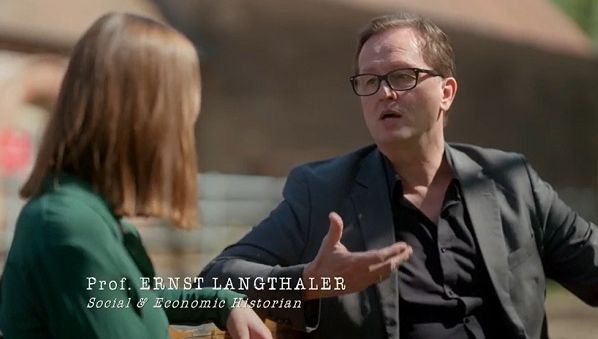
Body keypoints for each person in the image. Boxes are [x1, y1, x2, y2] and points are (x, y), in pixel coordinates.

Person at [200, 12, 598, 339]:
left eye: (403, 76)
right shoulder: (322, 191)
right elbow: (216, 277)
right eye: (369, 81)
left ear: (446, 92)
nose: (383, 93)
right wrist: (308, 282)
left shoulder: (512, 181)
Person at [0, 13, 271, 339]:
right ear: (146, 121)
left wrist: (222, 301)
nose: (185, 136)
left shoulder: (90, 215)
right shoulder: (71, 228)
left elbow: (131, 300)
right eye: (182, 117)